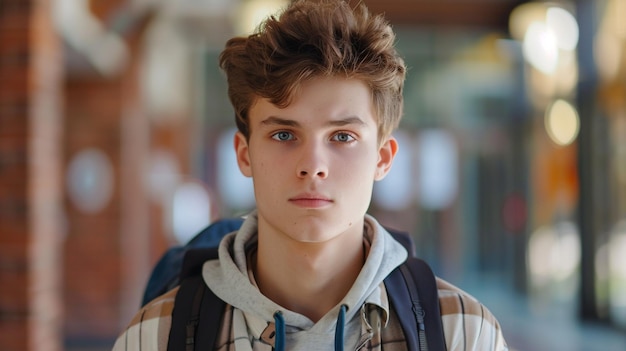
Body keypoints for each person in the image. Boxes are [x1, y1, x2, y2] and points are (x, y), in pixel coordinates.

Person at [112, 0, 508, 350]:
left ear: (383, 158)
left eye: (342, 136)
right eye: (284, 134)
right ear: (244, 154)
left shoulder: (463, 334)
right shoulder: (155, 337)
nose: (313, 164)